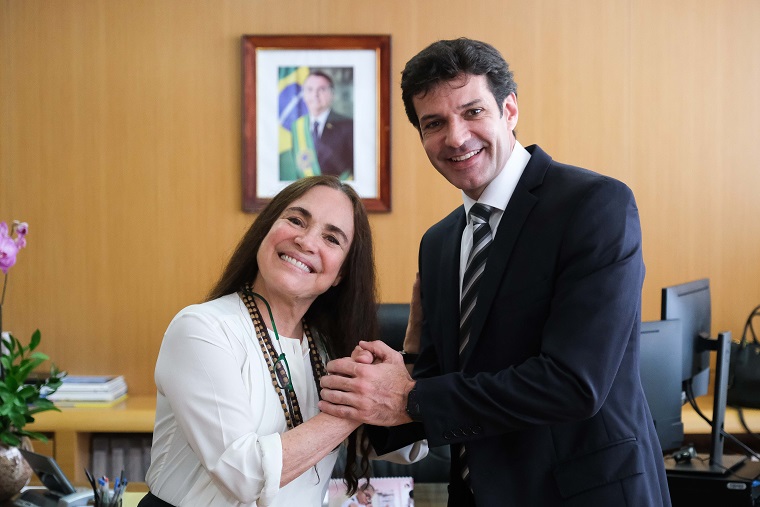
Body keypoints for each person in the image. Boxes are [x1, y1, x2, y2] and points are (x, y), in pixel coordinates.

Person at [319, 38, 671, 506]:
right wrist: (380, 384)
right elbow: (438, 378)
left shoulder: (594, 206)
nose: (455, 137)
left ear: (509, 110)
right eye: (433, 123)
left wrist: (410, 398)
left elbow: (573, 384)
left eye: (473, 112)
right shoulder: (439, 243)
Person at [139, 176, 425, 507]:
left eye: (331, 238)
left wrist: (415, 345)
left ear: (341, 274)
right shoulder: (202, 329)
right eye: (296, 220)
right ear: (266, 230)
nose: (306, 241)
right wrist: (361, 401)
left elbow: (398, 447)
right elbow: (244, 476)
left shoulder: (324, 348)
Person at [288, 71, 354, 180]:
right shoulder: (297, 126)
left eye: (322, 89)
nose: (315, 94)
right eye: (310, 89)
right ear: (303, 95)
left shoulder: (348, 126)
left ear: (332, 94)